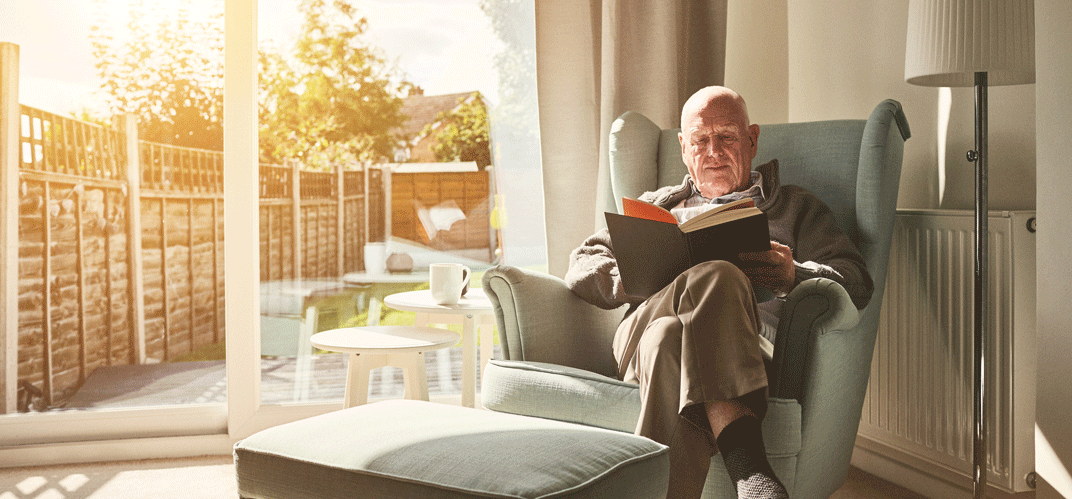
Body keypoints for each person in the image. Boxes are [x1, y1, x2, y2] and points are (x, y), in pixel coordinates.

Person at [565, 86, 874, 499]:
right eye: (700, 140)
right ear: (683, 147)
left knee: (669, 339)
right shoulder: (657, 205)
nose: (713, 150)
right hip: (640, 329)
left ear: (752, 139)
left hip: (746, 347)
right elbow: (581, 262)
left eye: (726, 136)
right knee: (713, 280)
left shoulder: (797, 209)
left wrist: (793, 274)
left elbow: (856, 280)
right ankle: (749, 468)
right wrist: (635, 276)